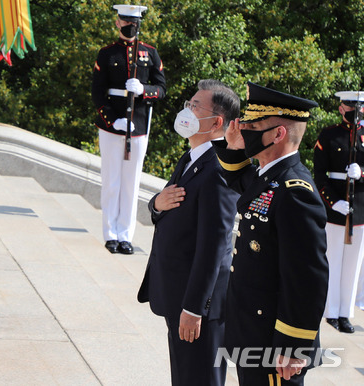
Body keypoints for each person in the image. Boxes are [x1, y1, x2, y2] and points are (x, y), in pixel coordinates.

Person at [213, 82, 329, 385]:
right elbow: (243, 186)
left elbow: (308, 278)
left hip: (274, 345)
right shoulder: (271, 177)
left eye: (254, 124)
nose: (245, 128)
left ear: (278, 134)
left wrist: (293, 348)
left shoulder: (295, 191)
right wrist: (235, 146)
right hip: (252, 330)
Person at [137, 79, 240, 386]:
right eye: (188, 104)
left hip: (197, 306)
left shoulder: (219, 168)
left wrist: (195, 307)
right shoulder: (194, 157)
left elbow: (215, 246)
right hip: (178, 293)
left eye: (196, 106)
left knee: (200, 379)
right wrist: (156, 204)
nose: (188, 110)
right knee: (185, 376)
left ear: (217, 121)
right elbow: (170, 205)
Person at [91, 4, 166, 254]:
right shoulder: (107, 54)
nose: (129, 25)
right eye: (125, 21)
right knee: (111, 180)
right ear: (117, 22)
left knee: (131, 182)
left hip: (139, 125)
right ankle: (110, 234)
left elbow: (162, 88)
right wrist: (113, 120)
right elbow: (97, 93)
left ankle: (125, 235)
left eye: (134, 21)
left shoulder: (150, 53)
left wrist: (144, 90)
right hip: (112, 126)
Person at [313, 91, 364, 334]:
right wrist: (332, 202)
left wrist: (361, 173)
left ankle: (346, 313)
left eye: (359, 106)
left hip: (360, 210)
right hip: (336, 208)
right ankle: (330, 311)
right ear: (342, 107)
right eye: (352, 106)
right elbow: (320, 175)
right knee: (333, 260)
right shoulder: (329, 134)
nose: (356, 111)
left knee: (352, 265)